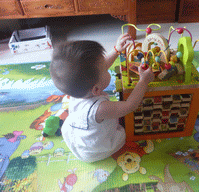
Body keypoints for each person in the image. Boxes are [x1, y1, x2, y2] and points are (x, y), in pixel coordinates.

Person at [50, 33, 154, 163]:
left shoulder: (77, 88)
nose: (107, 67)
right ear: (96, 90)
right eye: (106, 70)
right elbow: (130, 106)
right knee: (122, 134)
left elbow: (99, 66)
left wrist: (116, 50)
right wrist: (143, 81)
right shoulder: (101, 108)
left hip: (77, 136)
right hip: (94, 150)